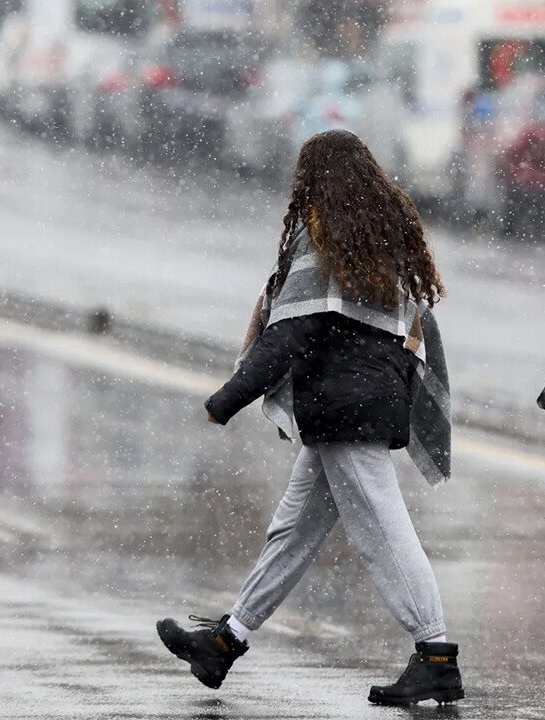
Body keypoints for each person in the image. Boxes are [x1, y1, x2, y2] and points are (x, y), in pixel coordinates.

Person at [156, 129, 463, 707]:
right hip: (358, 405)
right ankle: (224, 643)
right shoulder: (380, 241)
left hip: (346, 410)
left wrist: (227, 399)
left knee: (384, 535)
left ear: (314, 181)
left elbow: (290, 334)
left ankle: (437, 656)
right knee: (292, 532)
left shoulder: (325, 243)